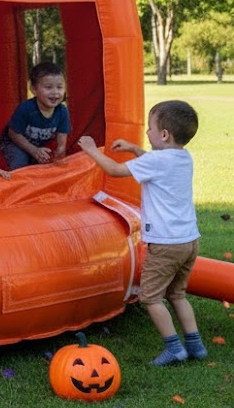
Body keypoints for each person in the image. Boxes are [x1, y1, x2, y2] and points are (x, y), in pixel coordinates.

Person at [78, 100, 208, 366]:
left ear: (164, 135)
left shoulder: (157, 161)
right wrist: (134, 149)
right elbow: (154, 163)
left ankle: (174, 348)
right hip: (188, 240)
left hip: (165, 244)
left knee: (150, 297)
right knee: (177, 294)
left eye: (150, 128)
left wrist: (90, 149)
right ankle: (195, 345)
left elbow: (114, 170)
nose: (147, 133)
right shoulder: (183, 157)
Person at [0, 62, 71, 169]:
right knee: (20, 161)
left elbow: (62, 140)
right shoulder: (26, 109)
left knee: (46, 163)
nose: (55, 92)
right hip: (13, 143)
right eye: (48, 87)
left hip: (37, 146)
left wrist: (59, 153)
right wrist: (34, 150)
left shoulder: (62, 112)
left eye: (59, 87)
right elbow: (13, 134)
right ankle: (18, 178)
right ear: (34, 90)